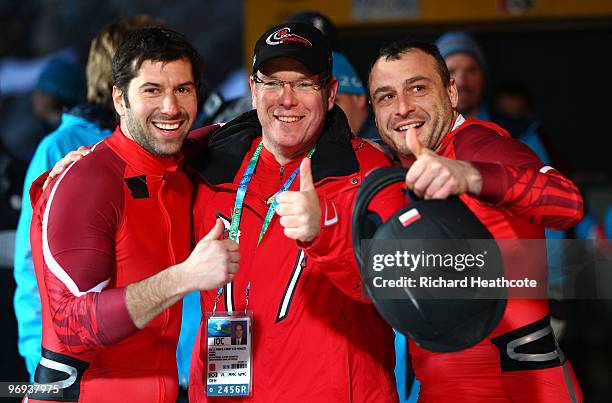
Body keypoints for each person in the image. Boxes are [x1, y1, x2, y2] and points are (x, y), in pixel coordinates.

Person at [186, 22, 402, 402]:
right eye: (273, 83)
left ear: (331, 93)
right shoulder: (213, 170)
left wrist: (328, 232)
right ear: (253, 91)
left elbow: (396, 284)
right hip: (228, 390)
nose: (287, 99)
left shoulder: (369, 175)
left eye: (304, 84)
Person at [28, 27, 238, 403]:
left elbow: (236, 131)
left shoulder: (177, 166)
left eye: (183, 90)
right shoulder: (89, 181)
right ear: (120, 99)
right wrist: (184, 277)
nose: (171, 107)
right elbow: (72, 324)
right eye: (152, 90)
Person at [368, 39, 584, 402]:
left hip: (517, 389)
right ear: (374, 113)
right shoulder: (395, 168)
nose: (403, 108)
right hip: (441, 386)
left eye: (417, 88)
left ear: (451, 93)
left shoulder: (477, 144)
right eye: (386, 97)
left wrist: (473, 176)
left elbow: (568, 203)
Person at [13, 14, 164, 382]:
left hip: (161, 370)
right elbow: (33, 268)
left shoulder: (165, 148)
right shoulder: (61, 149)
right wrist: (48, 364)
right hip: (88, 372)